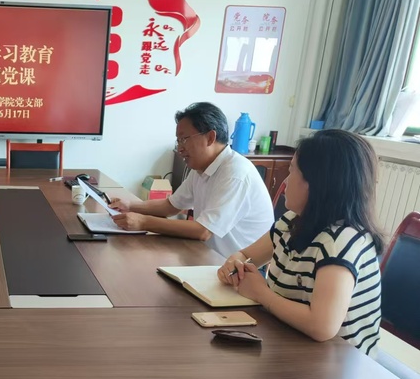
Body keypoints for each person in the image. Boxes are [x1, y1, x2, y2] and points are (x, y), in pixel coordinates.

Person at [217, 129, 382, 355]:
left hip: (338, 363)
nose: (285, 181)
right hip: (292, 342)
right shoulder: (291, 222)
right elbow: (245, 255)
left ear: (316, 182)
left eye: (292, 170)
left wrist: (261, 293)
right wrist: (234, 265)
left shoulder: (341, 241)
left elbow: (322, 326)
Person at [109, 102, 273, 257]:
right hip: (209, 254)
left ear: (210, 138)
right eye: (178, 140)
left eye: (184, 139)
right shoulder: (202, 167)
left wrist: (144, 222)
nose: (180, 148)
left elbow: (203, 231)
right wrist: (130, 206)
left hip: (238, 266)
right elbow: (171, 206)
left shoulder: (235, 174)